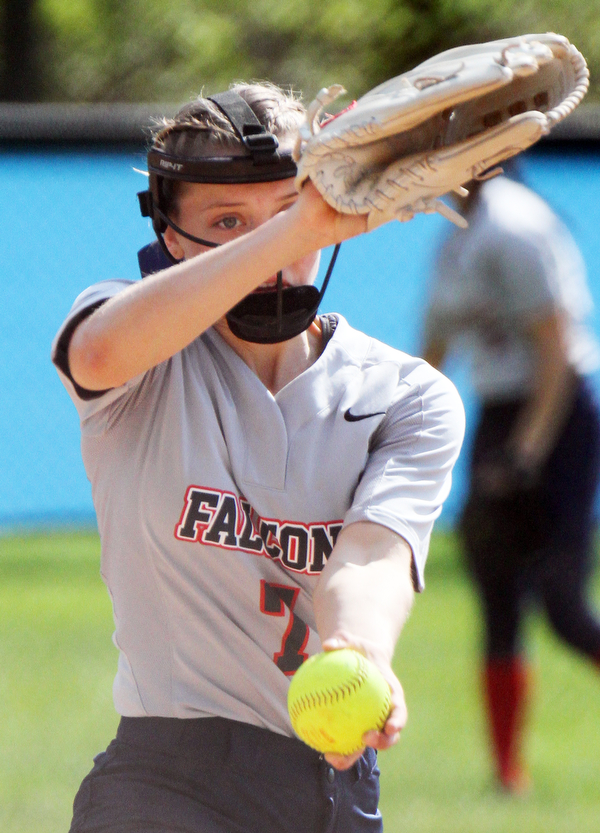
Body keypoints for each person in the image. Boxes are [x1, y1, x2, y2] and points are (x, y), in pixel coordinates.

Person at [52, 82, 464, 833]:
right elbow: (100, 350)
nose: (273, 252)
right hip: (165, 779)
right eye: (226, 221)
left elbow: (370, 557)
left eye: (289, 213)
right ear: (171, 240)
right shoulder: (144, 349)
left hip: (333, 783)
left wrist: (358, 645)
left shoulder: (406, 395)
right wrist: (294, 224)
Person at [422, 170, 600, 794]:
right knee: (496, 594)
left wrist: (525, 456)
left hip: (556, 415)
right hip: (501, 413)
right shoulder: (456, 236)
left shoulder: (516, 225)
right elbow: (433, 350)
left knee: (563, 606)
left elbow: (555, 348)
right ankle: (507, 777)